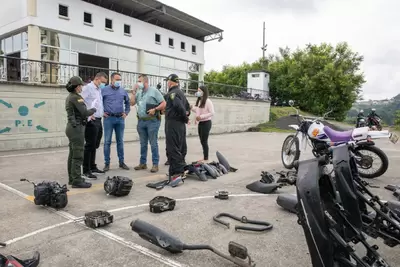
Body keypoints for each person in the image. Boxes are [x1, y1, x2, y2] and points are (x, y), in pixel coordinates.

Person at [129, 74, 166, 173]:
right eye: (138, 81)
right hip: (141, 121)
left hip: (152, 121)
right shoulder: (139, 92)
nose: (138, 83)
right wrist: (133, 91)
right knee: (143, 143)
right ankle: (143, 163)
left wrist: (155, 109)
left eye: (140, 81)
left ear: (146, 82)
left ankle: (155, 164)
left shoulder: (154, 91)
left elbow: (163, 103)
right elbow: (132, 103)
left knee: (153, 143)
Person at [65, 76, 96, 188]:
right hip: (76, 128)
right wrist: (93, 109)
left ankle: (73, 178)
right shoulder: (76, 98)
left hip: (72, 128)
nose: (82, 87)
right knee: (78, 155)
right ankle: (77, 180)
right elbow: (84, 112)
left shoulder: (70, 97)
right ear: (77, 86)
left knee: (73, 154)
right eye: (81, 85)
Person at [81, 72, 108, 179]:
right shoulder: (88, 88)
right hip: (91, 120)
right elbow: (81, 101)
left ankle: (92, 166)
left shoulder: (98, 89)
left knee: (95, 145)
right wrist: (88, 115)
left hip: (98, 119)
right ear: (97, 79)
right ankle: (86, 170)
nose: (103, 85)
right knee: (89, 145)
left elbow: (98, 104)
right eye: (102, 82)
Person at [102, 72, 131, 171]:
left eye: (120, 80)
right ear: (112, 80)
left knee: (120, 142)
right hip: (108, 119)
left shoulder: (123, 91)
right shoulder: (104, 90)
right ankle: (107, 163)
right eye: (117, 79)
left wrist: (126, 113)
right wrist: (102, 112)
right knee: (107, 142)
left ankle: (121, 162)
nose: (119, 81)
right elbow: (98, 102)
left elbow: (128, 103)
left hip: (120, 119)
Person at [164, 74, 190, 179]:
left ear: (170, 82)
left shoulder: (173, 93)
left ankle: (177, 172)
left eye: (168, 81)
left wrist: (185, 118)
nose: (167, 83)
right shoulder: (181, 93)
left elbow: (179, 107)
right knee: (180, 146)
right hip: (180, 124)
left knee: (172, 147)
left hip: (173, 123)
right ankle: (179, 168)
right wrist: (185, 116)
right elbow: (187, 108)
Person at [191, 85, 215, 162]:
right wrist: (191, 108)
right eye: (197, 90)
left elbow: (212, 113)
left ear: (203, 92)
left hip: (206, 123)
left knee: (204, 141)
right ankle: (205, 157)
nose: (198, 92)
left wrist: (201, 117)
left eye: (199, 91)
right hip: (200, 123)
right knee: (202, 140)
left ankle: (206, 158)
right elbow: (198, 110)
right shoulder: (199, 101)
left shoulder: (208, 101)